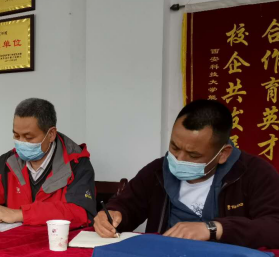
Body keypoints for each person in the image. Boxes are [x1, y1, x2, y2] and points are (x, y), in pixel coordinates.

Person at [94, 99, 279, 249]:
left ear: (223, 154)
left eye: (193, 155)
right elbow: (126, 205)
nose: (179, 159)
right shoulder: (157, 171)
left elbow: (274, 226)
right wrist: (112, 215)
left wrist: (214, 229)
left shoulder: (255, 174)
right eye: (174, 147)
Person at [0, 98, 96, 227]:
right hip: (14, 242)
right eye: (16, 135)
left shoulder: (76, 164)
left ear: (51, 134)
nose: (21, 142)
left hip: (56, 243)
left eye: (29, 137)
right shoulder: (7, 162)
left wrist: (20, 214)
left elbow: (81, 212)